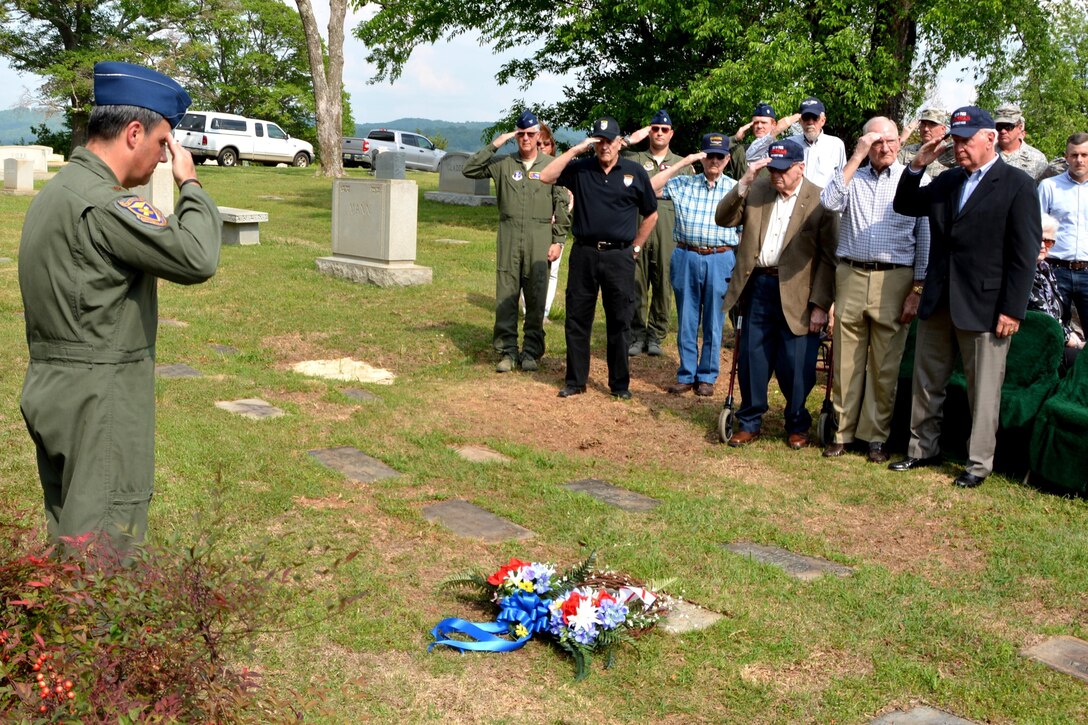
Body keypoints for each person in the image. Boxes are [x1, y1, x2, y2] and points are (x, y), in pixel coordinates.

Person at [18, 61, 222, 548]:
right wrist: (190, 184)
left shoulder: (58, 192)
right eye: (162, 143)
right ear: (134, 132)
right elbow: (197, 257)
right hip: (100, 399)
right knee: (105, 554)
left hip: (54, 389)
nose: (162, 158)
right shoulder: (107, 204)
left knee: (71, 540)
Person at [889, 106, 1040, 488]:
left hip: (986, 306)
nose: (958, 147)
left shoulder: (1017, 184)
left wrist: (1012, 308)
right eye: (955, 140)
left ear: (990, 138)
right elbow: (905, 205)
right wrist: (917, 166)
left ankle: (977, 463)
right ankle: (922, 449)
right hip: (939, 297)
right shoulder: (948, 180)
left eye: (966, 140)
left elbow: (1024, 255)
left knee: (984, 390)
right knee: (927, 381)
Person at [819, 117, 931, 463]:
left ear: (900, 143)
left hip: (895, 278)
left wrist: (917, 288)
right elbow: (828, 202)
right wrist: (855, 158)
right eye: (875, 141)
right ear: (865, 142)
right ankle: (842, 433)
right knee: (846, 360)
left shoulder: (915, 180)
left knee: (884, 365)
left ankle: (876, 437)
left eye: (890, 141)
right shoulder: (852, 176)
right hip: (851, 273)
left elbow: (925, 239)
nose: (884, 148)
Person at [714, 140, 839, 448]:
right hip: (757, 285)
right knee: (753, 356)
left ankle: (797, 422)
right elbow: (723, 218)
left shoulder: (821, 200)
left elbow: (828, 257)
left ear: (800, 167)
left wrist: (821, 304)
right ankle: (750, 420)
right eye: (772, 170)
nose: (776, 176)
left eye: (783, 171)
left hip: (800, 293)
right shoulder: (757, 190)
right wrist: (744, 180)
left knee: (797, 362)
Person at [540, 116, 658, 399]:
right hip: (585, 253)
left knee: (619, 321)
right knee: (578, 319)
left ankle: (619, 385)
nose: (605, 147)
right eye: (599, 141)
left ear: (620, 142)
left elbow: (651, 213)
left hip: (619, 256)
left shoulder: (634, 172)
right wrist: (576, 150)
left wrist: (636, 247)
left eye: (610, 141)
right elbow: (546, 176)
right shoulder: (581, 169)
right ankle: (575, 381)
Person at [463, 110, 569, 372]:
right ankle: (507, 351)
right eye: (520, 134)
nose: (525, 138)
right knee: (507, 295)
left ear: (538, 136)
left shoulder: (549, 165)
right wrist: (497, 142)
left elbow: (562, 204)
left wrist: (558, 240)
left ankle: (531, 351)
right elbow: (470, 169)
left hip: (540, 235)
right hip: (509, 235)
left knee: (536, 296)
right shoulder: (503, 164)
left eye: (530, 134)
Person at [648, 132, 741, 396]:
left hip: (721, 257)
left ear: (727, 159)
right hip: (686, 254)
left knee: (714, 319)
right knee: (687, 318)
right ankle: (687, 373)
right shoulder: (683, 184)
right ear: (701, 158)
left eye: (719, 157)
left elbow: (744, 229)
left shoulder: (735, 188)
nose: (714, 161)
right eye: (709, 156)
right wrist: (682, 162)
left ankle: (708, 376)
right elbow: (650, 186)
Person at [622, 110, 689, 357]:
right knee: (636, 284)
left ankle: (656, 335)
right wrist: (630, 139)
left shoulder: (682, 165)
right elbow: (607, 151)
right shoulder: (633, 160)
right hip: (638, 230)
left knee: (663, 286)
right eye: (654, 128)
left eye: (664, 129)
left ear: (671, 133)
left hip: (669, 233)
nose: (659, 133)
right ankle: (636, 335)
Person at [1037, 132, 1088, 331]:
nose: (1079, 160)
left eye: (1084, 155)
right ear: (1066, 157)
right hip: (1056, 270)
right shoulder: (1049, 187)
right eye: (1074, 155)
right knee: (1055, 333)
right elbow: (1035, 228)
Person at [1029, 213, 1084, 370]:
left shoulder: (1045, 267)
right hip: (1040, 344)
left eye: (1048, 241)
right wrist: (1074, 341)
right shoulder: (1025, 271)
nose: (1042, 246)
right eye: (1038, 238)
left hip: (1056, 338)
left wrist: (1072, 335)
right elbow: (1045, 318)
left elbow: (1057, 315)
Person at [537, 124, 572, 320]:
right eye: (539, 143)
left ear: (552, 146)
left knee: (552, 272)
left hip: (556, 226)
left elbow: (564, 200)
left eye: (546, 143)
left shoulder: (560, 168)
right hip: (536, 226)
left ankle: (545, 311)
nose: (542, 146)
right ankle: (529, 310)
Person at [728, 103, 801, 183]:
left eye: (763, 122)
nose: (759, 126)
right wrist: (735, 138)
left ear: (774, 125)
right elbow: (717, 151)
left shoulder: (783, 150)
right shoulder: (742, 151)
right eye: (756, 122)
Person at [787, 96, 847, 188]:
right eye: (806, 117)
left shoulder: (836, 144)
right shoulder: (789, 144)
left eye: (815, 118)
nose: (810, 122)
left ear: (823, 121)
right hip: (796, 200)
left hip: (824, 201)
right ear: (800, 121)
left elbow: (843, 179)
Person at [994, 104, 1049, 181]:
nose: (1003, 131)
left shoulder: (1037, 158)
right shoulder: (986, 155)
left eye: (1008, 127)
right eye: (999, 127)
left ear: (1019, 128)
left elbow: (1040, 190)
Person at [898, 107, 955, 178]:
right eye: (923, 124)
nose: (926, 129)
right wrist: (902, 140)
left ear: (943, 129)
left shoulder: (951, 153)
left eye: (932, 124)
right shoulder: (907, 151)